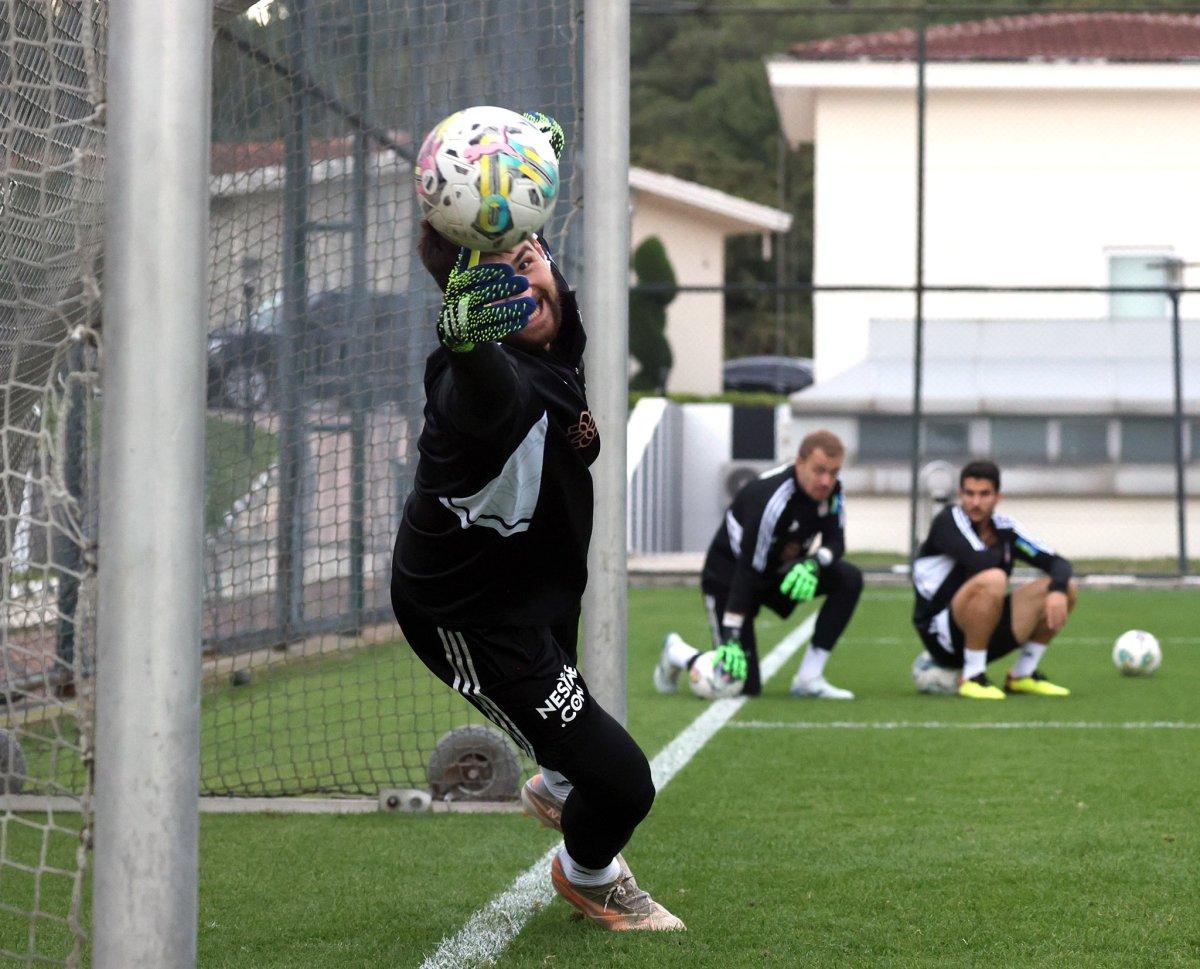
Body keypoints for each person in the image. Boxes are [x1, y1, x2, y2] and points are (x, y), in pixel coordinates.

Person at [390, 112, 683, 932]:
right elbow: (482, 393)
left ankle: (555, 779)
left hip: (539, 583)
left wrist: (529, 162)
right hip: (470, 615)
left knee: (576, 747)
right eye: (503, 292)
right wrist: (471, 342)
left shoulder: (561, 330)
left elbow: (523, 242)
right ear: (476, 313)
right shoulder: (486, 383)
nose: (531, 289)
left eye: (531, 262)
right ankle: (588, 871)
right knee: (623, 785)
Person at [654, 429, 864, 700]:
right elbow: (747, 569)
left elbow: (836, 541)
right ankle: (678, 653)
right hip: (729, 581)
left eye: (834, 472)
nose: (827, 481)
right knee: (737, 684)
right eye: (819, 470)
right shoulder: (772, 500)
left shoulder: (833, 491)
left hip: (774, 574)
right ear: (800, 463)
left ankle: (809, 678)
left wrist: (814, 563)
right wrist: (731, 635)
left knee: (848, 578)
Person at [912, 459, 1078, 700]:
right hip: (942, 635)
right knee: (993, 578)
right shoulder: (948, 522)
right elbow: (980, 561)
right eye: (969, 494)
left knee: (1067, 587)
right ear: (960, 494)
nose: (975, 502)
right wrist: (1007, 549)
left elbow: (1058, 563)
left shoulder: (1005, 529)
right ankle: (973, 677)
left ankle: (1022, 675)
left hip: (985, 628)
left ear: (998, 497)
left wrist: (1058, 590)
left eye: (984, 494)